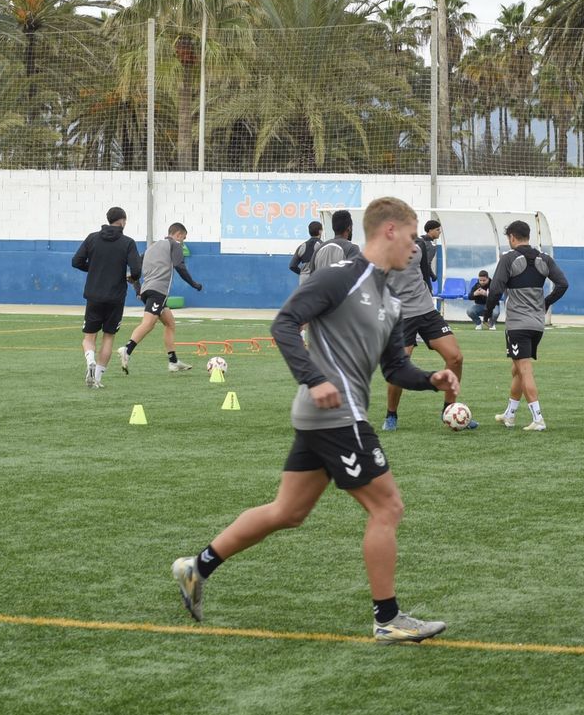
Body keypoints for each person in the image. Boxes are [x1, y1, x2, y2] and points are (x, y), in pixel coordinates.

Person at [172, 196, 455, 643]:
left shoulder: (392, 298)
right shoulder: (339, 277)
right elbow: (284, 323)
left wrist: (430, 379)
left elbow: (394, 369)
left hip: (330, 415)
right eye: (411, 235)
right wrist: (313, 378)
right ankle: (388, 618)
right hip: (336, 414)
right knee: (387, 507)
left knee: (288, 511)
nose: (416, 246)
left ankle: (197, 567)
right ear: (389, 231)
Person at [383, 214, 472, 431]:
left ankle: (449, 409)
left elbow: (424, 273)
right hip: (401, 317)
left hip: (426, 311)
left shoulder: (419, 247)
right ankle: (391, 415)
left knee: (456, 358)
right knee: (398, 367)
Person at [487, 220, 568, 431]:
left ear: (512, 237)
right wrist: (546, 303)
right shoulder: (544, 258)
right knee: (517, 369)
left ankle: (538, 418)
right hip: (537, 325)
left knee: (524, 369)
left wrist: (488, 314)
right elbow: (563, 284)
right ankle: (510, 414)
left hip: (517, 325)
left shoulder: (509, 258)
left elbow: (495, 289)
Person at [71, 206, 142, 388]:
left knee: (89, 337)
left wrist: (94, 268)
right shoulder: (128, 242)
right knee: (108, 337)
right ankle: (97, 378)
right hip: (115, 297)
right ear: (123, 221)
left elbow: (76, 261)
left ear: (108, 220)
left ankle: (90, 360)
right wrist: (131, 278)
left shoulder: (92, 238)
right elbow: (136, 270)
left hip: (94, 295)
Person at [121, 222, 202, 374]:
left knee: (170, 323)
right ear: (178, 235)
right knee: (148, 324)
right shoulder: (175, 245)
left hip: (147, 291)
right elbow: (179, 265)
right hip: (158, 292)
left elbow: (135, 269)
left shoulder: (152, 247)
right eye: (183, 238)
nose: (182, 241)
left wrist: (138, 290)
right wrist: (194, 284)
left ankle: (173, 361)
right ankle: (127, 349)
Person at [301, 209, 359, 281]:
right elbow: (354, 277)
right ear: (349, 228)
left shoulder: (319, 248)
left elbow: (311, 275)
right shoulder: (352, 249)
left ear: (333, 228)